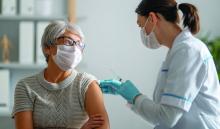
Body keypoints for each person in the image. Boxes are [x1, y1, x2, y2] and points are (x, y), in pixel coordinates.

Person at [99, 0, 220, 129]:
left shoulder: (188, 51)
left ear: (152, 18)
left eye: (141, 26)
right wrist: (129, 96)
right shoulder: (177, 51)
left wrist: (134, 96)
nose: (143, 32)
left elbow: (168, 118)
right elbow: (162, 115)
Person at [12, 21, 110, 129]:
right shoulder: (26, 87)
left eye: (79, 44)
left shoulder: (87, 84)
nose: (75, 49)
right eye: (68, 42)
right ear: (47, 47)